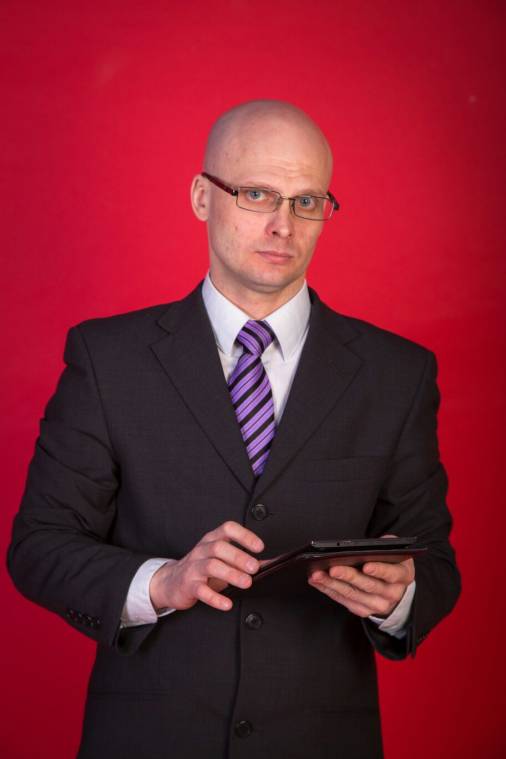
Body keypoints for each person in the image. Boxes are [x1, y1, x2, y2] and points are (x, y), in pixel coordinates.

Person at [7, 99, 460, 759]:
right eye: (256, 194)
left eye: (307, 201)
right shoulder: (108, 359)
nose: (283, 224)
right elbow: (39, 546)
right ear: (202, 197)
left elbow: (436, 562)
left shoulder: (398, 373)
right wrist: (162, 582)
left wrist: (401, 595)